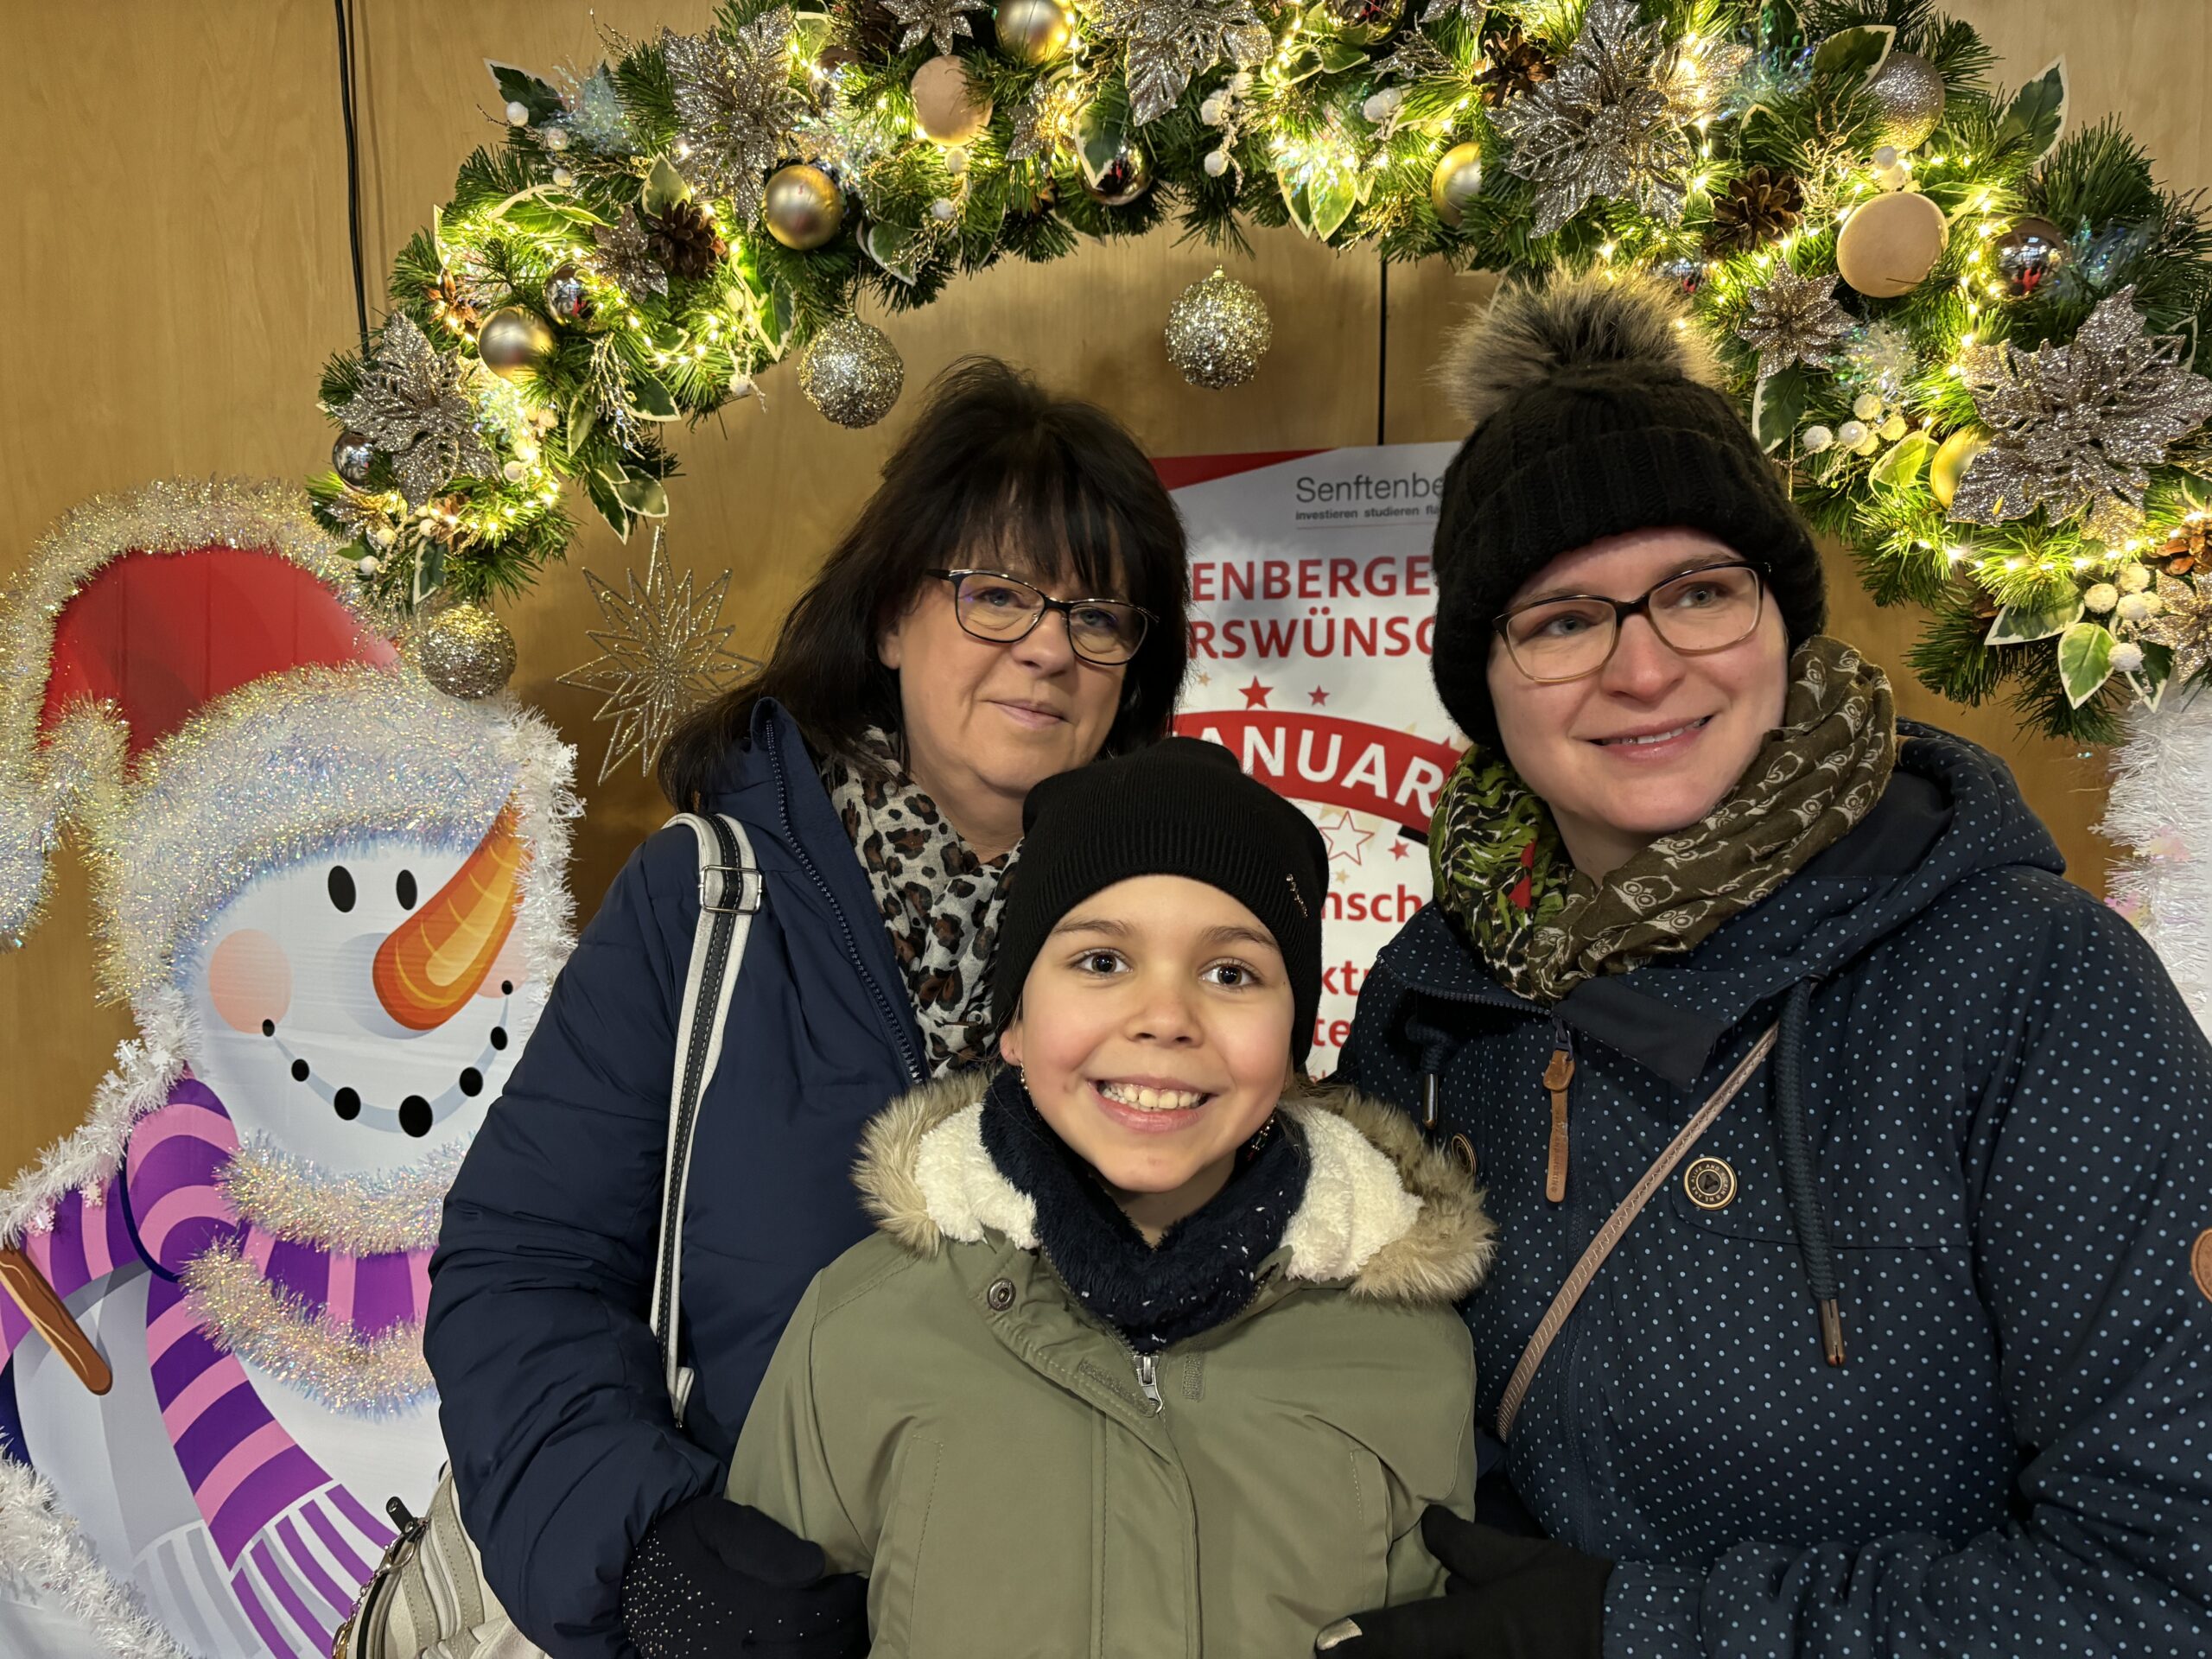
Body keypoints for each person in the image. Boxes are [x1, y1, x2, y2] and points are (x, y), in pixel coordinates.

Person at [1322, 270, 2212, 1657]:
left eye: (1697, 593)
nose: (1642, 667)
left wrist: (1641, 1635)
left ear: (1780, 623)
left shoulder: (2034, 989)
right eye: (1562, 619)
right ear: (1479, 680)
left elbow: (2172, 1583)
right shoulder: (1435, 1001)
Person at [423, 357, 1192, 1659]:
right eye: (998, 593)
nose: (1050, 648)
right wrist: (652, 1553)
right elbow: (521, 1266)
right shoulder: (707, 904)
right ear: (893, 617)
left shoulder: (1188, 935)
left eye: (1099, 615)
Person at [721, 737, 1495, 1654]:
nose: (1164, 1017)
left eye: (1231, 973)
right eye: (1099, 962)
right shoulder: (858, 1326)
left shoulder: (1411, 1352)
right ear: (1013, 1021)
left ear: (1292, 1045)